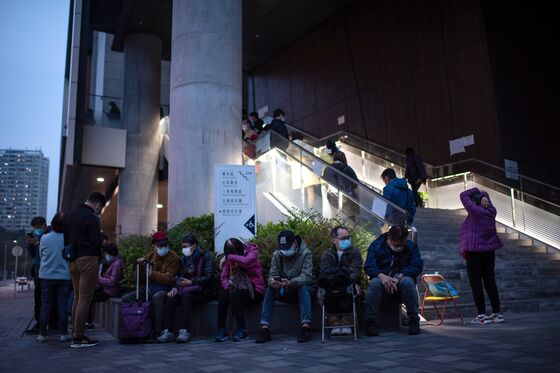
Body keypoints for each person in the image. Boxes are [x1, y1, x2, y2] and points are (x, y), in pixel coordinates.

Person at [256, 230, 314, 344]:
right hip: (283, 289)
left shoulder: (306, 253)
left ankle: (306, 327)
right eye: (282, 247)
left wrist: (290, 282)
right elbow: (272, 274)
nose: (285, 250)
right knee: (269, 289)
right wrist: (273, 281)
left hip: (300, 290)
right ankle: (264, 328)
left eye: (287, 247)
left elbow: (307, 277)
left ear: (295, 243)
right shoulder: (277, 254)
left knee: (303, 288)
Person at [364, 225, 423, 336]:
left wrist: (400, 276)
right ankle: (371, 322)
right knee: (375, 283)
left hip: (401, 283)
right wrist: (382, 276)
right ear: (389, 239)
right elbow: (369, 266)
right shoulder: (377, 245)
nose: (398, 247)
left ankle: (414, 321)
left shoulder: (411, 247)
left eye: (401, 245)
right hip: (382, 282)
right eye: (395, 244)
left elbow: (416, 265)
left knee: (407, 281)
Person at [64, 192, 106, 348]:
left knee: (77, 297)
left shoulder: (71, 215)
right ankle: (79, 337)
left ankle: (75, 333)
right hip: (88, 259)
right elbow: (96, 241)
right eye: (100, 208)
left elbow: (66, 239)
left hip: (72, 260)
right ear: (98, 205)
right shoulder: (92, 217)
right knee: (85, 299)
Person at [122, 231, 181, 340]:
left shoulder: (174, 258)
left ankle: (157, 331)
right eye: (160, 246)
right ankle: (130, 329)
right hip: (148, 288)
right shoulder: (149, 256)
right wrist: (139, 267)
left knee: (157, 297)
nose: (163, 248)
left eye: (165, 245)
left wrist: (152, 274)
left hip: (164, 289)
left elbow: (169, 278)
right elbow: (138, 279)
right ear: (154, 246)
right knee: (126, 298)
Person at [157, 234, 213, 343]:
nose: (184, 249)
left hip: (202, 290)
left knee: (186, 297)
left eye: (186, 246)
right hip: (185, 289)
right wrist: (175, 287)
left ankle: (184, 331)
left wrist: (192, 282)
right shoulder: (183, 259)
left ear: (194, 246)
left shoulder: (205, 256)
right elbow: (179, 277)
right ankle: (167, 331)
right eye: (182, 246)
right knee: (171, 297)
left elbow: (209, 277)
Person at [459, 188, 504, 324]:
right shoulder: (491, 211)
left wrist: (478, 190)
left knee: (476, 283)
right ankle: (497, 314)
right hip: (489, 252)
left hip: (474, 251)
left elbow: (463, 194)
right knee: (490, 281)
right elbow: (483, 198)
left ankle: (482, 316)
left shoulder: (475, 211)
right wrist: (484, 195)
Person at [215, 238, 265, 342]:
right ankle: (221, 329)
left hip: (255, 291)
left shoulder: (252, 252)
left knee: (234, 294)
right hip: (239, 290)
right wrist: (228, 286)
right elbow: (224, 277)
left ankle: (242, 329)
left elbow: (246, 262)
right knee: (223, 294)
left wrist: (229, 257)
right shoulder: (230, 259)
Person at [319, 226, 363, 335]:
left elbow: (355, 272)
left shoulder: (355, 252)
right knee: (321, 292)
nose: (347, 240)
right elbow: (324, 272)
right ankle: (333, 322)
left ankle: (346, 321)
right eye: (343, 238)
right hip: (331, 285)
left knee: (351, 289)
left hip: (349, 283)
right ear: (334, 240)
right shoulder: (327, 254)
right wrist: (340, 276)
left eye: (348, 237)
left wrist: (340, 277)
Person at [36, 213, 71, 343]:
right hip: (64, 276)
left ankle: (42, 334)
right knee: (62, 305)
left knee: (45, 305)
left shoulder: (44, 238)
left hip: (46, 275)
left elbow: (41, 254)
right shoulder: (68, 238)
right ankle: (63, 334)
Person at [26, 216, 53, 333]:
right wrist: (31, 244)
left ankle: (52, 324)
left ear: (43, 225)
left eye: (37, 228)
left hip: (48, 271)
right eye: (34, 228)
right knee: (38, 299)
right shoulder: (37, 237)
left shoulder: (50, 234)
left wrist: (39, 241)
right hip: (38, 271)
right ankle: (39, 323)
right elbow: (32, 255)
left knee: (48, 299)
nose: (35, 230)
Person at [86, 243, 123, 325]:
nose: (105, 255)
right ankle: (87, 321)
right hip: (107, 289)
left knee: (89, 297)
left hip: (110, 292)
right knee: (89, 294)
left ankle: (88, 322)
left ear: (110, 253)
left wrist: (98, 278)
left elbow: (112, 281)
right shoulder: (115, 262)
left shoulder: (117, 263)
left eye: (106, 253)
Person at [323, 151, 360, 220]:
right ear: (344, 159)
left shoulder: (327, 169)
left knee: (336, 218)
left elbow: (326, 183)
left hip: (333, 198)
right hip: (348, 199)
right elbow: (356, 184)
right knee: (350, 221)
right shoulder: (347, 169)